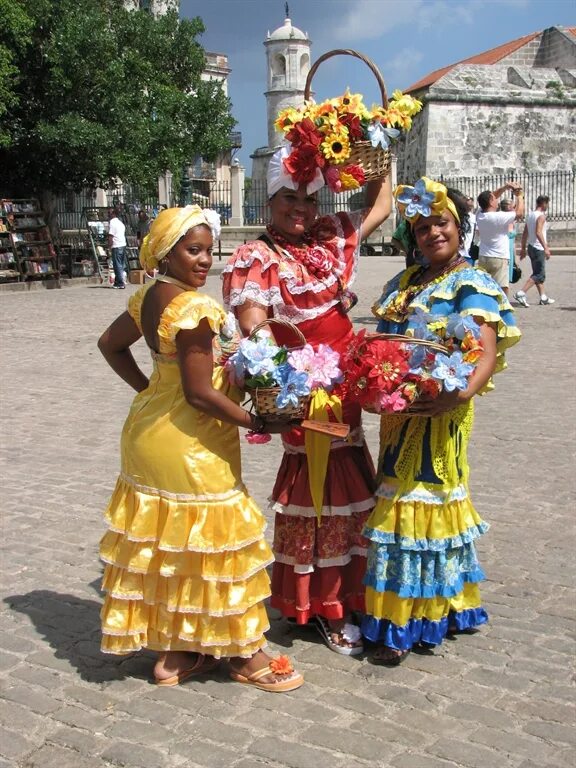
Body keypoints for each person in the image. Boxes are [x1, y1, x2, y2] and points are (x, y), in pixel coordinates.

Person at [97, 205, 304, 693]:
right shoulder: (194, 309)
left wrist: (150, 388)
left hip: (150, 431)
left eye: (210, 250)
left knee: (173, 545)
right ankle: (246, 654)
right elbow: (199, 393)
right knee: (218, 540)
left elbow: (110, 344)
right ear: (167, 252)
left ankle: (179, 650)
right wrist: (257, 421)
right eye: (193, 250)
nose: (205, 260)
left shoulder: (147, 295)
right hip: (191, 440)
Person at [222, 145, 392, 655]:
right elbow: (257, 330)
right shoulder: (258, 256)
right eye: (288, 198)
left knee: (353, 485)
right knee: (321, 491)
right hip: (306, 395)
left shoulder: (329, 239)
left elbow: (382, 203)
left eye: (308, 199)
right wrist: (284, 377)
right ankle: (322, 606)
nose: (300, 208)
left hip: (348, 392)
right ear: (269, 199)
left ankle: (347, 596)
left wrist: (372, 150)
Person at [365, 177, 520, 664]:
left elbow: (484, 352)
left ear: (460, 227)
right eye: (423, 227)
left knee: (424, 500)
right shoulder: (404, 285)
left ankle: (404, 622)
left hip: (442, 414)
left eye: (442, 223)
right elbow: (384, 346)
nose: (433, 233)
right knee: (397, 495)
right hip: (399, 415)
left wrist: (457, 398)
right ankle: (438, 606)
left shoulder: (470, 282)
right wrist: (375, 385)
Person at [476, 182, 525, 296]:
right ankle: (503, 310)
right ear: (491, 202)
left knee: (486, 288)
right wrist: (519, 195)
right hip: (499, 257)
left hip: (484, 256)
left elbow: (491, 196)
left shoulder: (480, 214)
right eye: (494, 199)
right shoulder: (498, 217)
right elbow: (519, 213)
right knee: (502, 289)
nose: (497, 200)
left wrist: (505, 188)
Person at [514, 195, 554, 307]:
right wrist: (546, 247)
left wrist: (523, 248)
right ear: (544, 203)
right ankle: (521, 293)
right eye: (547, 204)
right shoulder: (541, 216)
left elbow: (525, 233)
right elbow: (538, 232)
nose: (547, 206)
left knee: (537, 272)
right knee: (539, 274)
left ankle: (543, 297)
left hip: (531, 246)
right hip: (538, 248)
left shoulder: (531, 215)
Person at [499, 198, 519, 284]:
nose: (515, 209)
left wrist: (515, 258)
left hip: (510, 251)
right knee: (501, 278)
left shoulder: (513, 221)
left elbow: (513, 242)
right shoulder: (501, 219)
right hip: (502, 250)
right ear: (508, 207)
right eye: (514, 206)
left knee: (506, 279)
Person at [107, 207, 128, 289]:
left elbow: (111, 235)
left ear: (113, 214)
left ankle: (120, 283)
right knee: (121, 264)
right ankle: (118, 280)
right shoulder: (120, 223)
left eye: (109, 213)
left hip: (116, 245)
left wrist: (109, 246)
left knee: (117, 265)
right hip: (122, 245)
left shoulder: (112, 222)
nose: (108, 215)